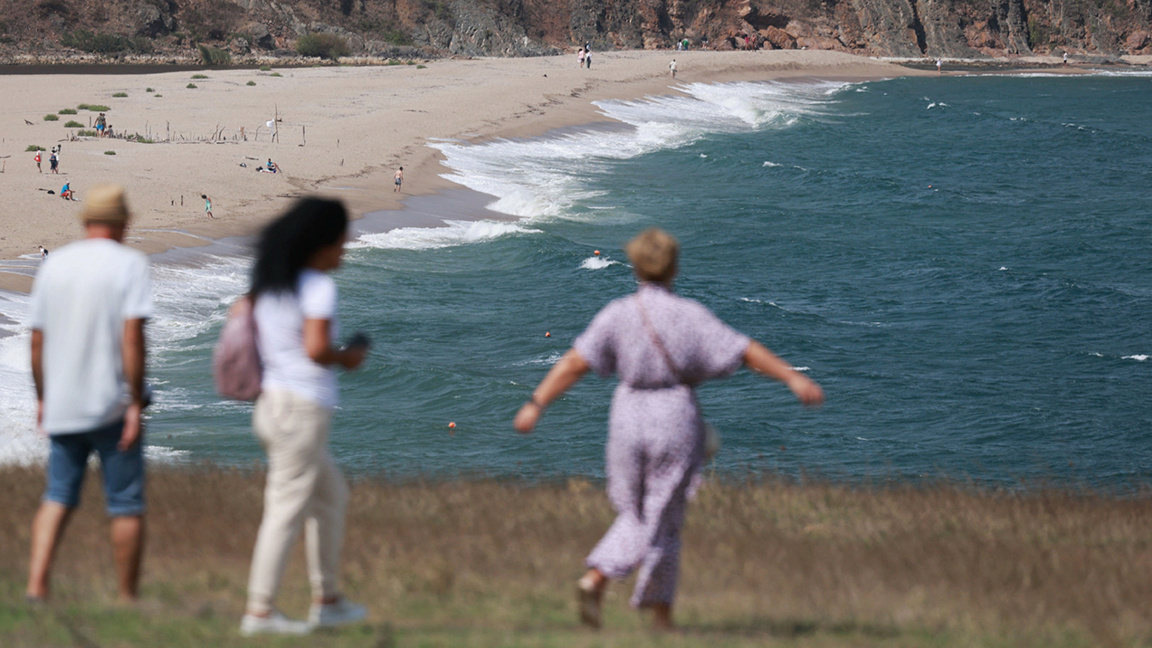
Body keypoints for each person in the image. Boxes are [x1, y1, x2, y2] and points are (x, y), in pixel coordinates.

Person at [514, 228, 824, 631]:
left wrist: (536, 405)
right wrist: (793, 379)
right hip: (673, 418)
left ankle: (604, 582)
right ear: (675, 267)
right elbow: (743, 351)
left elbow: (575, 363)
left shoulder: (618, 313)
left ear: (634, 266)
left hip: (627, 416)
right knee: (665, 515)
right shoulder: (688, 314)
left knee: (636, 511)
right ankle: (654, 613)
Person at [240, 197, 369, 636]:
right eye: (340, 241)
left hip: (271, 405)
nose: (345, 250)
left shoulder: (270, 283)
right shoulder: (316, 286)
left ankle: (327, 600)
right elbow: (315, 349)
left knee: (331, 498)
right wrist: (347, 357)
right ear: (321, 244)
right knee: (284, 511)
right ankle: (259, 611)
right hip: (301, 410)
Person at [25, 184, 152, 604]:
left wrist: (43, 398)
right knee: (126, 503)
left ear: (84, 221)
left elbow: (37, 341)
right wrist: (134, 402)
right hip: (112, 403)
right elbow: (132, 337)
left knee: (57, 496)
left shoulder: (54, 264)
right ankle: (126, 597)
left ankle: (36, 586)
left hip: (63, 401)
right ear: (124, 223)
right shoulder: (130, 264)